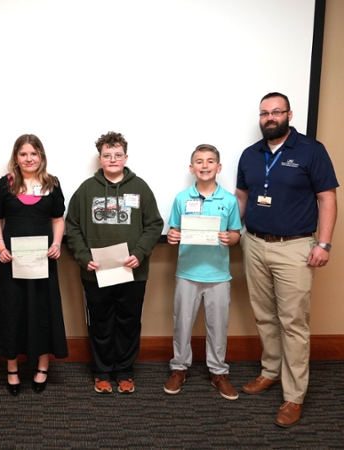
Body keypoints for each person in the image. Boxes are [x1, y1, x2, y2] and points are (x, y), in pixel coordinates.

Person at [236, 92, 338, 427]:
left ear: (289, 115)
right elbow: (242, 196)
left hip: (295, 247)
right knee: (264, 316)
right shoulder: (251, 155)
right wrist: (235, 232)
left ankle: (294, 396)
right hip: (254, 244)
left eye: (276, 112)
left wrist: (323, 243)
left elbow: (326, 198)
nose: (269, 117)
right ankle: (270, 372)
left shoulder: (312, 151)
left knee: (293, 322)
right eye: (264, 113)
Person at [66, 131, 163, 394]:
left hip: (132, 271)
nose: (113, 159)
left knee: (128, 322)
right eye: (107, 155)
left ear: (125, 157)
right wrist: (84, 258)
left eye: (117, 155)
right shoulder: (86, 189)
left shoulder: (140, 187)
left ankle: (124, 371)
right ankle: (102, 371)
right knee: (100, 322)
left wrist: (140, 252)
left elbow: (154, 225)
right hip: (96, 273)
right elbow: (72, 227)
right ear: (100, 159)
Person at [0, 134, 67, 395]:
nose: (29, 159)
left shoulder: (52, 184)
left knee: (42, 311)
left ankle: (42, 366)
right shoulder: (3, 185)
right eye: (23, 154)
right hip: (10, 260)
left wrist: (56, 244)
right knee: (12, 311)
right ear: (16, 157)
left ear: (41, 156)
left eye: (34, 153)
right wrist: (0, 247)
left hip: (43, 260)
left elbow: (57, 219)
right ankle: (12, 368)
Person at [163, 144, 241, 400]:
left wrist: (229, 238)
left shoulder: (228, 200)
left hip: (218, 275)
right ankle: (178, 368)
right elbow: (174, 231)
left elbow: (236, 235)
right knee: (182, 324)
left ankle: (218, 372)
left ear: (218, 168)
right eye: (199, 161)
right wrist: (173, 236)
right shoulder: (181, 198)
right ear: (191, 167)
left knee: (218, 327)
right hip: (187, 273)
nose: (204, 165)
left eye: (210, 162)